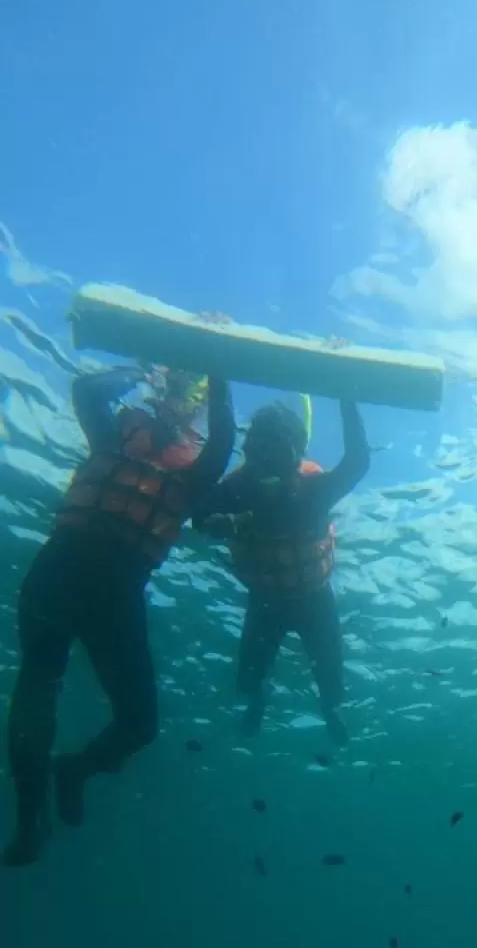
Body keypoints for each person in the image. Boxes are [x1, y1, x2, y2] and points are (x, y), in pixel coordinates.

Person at [4, 365, 235, 867]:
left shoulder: (181, 468)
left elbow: (223, 439)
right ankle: (30, 818)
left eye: (191, 393)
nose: (180, 402)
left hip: (86, 581)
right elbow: (88, 390)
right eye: (175, 388)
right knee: (45, 688)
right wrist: (170, 366)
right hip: (76, 576)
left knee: (134, 721)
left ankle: (72, 774)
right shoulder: (118, 440)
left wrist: (213, 368)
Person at [193, 397, 369, 742]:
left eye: (278, 455)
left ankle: (330, 709)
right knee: (247, 681)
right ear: (249, 451)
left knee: (332, 682)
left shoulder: (314, 491)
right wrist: (219, 523)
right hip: (265, 602)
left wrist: (347, 397)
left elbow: (358, 462)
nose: (268, 467)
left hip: (313, 599)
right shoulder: (235, 492)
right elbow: (198, 516)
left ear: (297, 454)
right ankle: (260, 697)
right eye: (261, 455)